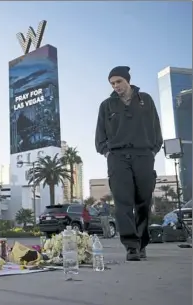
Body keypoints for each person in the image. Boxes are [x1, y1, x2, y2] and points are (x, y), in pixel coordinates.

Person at [95, 66, 163, 261]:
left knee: (143, 202)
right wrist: (106, 151)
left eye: (119, 82)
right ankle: (131, 246)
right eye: (112, 83)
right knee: (123, 203)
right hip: (117, 157)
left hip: (143, 155)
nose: (116, 86)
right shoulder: (106, 105)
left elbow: (156, 126)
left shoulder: (146, 100)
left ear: (128, 81)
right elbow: (100, 134)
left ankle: (142, 244)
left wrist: (153, 149)